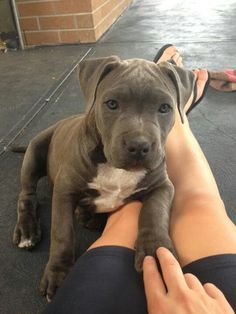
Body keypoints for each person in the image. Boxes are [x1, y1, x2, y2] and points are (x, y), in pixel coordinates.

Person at [44, 45, 236, 314]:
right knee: (200, 201)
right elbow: (64, 191)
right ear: (92, 95)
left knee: (162, 187)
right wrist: (60, 259)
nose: (139, 139)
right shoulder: (76, 147)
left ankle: (177, 113)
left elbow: (162, 186)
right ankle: (179, 124)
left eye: (162, 107)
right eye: (113, 104)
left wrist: (153, 231)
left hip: (96, 288)